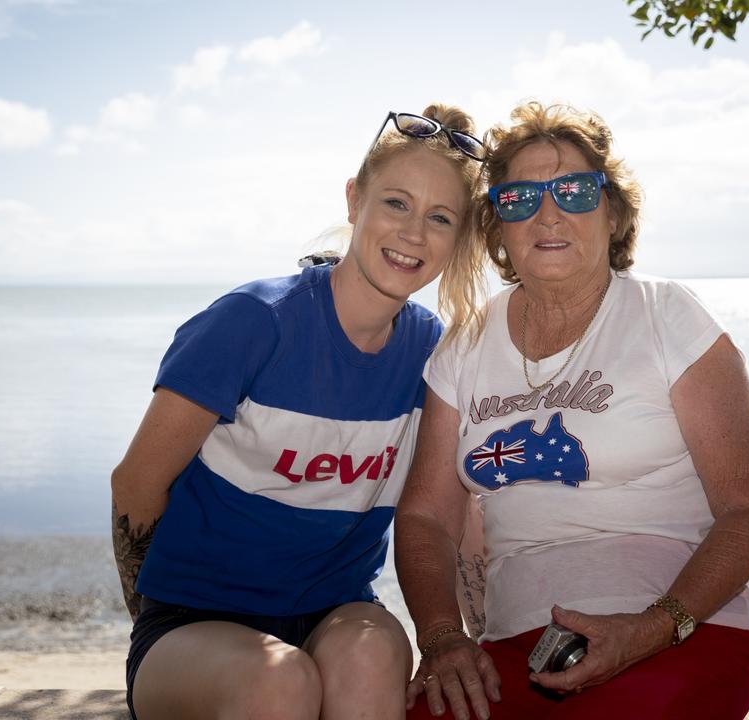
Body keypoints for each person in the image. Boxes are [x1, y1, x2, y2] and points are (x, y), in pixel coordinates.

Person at [395, 102, 749, 720]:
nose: (547, 213)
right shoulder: (465, 344)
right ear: (498, 224)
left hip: (686, 627)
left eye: (573, 190)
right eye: (520, 197)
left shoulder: (666, 315)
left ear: (613, 211)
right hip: (517, 647)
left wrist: (653, 627)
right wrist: (443, 639)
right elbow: (425, 517)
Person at [111, 104, 488, 720]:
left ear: (457, 239)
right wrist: (151, 621)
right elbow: (136, 483)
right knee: (280, 683)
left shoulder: (436, 356)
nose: (414, 233)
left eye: (440, 217)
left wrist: (467, 642)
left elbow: (457, 515)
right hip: (194, 623)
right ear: (354, 200)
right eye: (396, 203)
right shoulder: (254, 322)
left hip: (335, 614)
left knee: (369, 658)